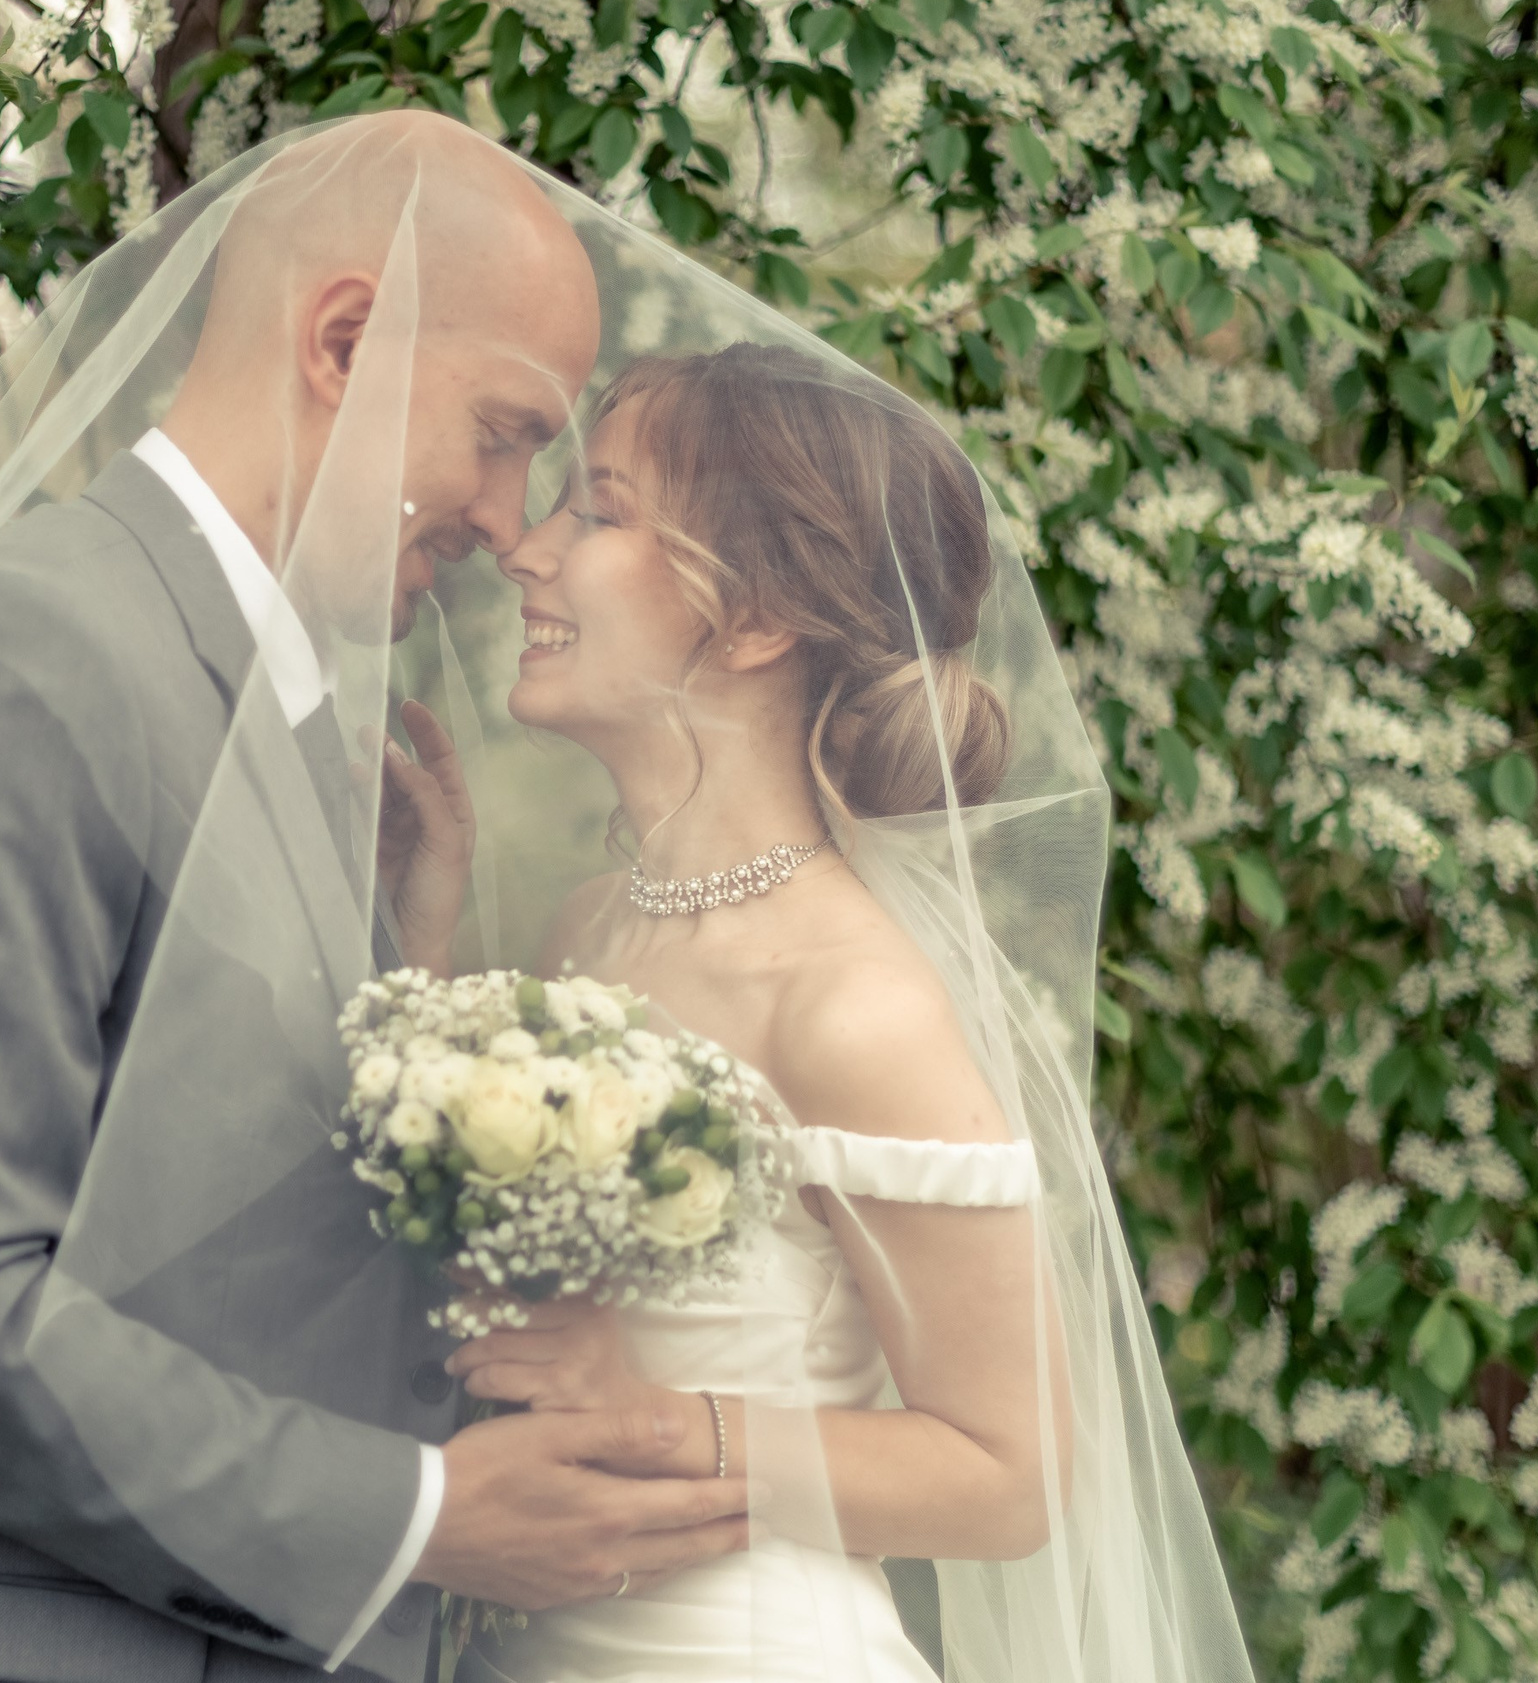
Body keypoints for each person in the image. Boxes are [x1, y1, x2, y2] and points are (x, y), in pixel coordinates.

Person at [0, 113, 751, 1683]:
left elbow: (218, 1255)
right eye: (505, 430)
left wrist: (416, 948)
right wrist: (419, 1517)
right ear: (342, 341)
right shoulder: (11, 667)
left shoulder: (299, 724)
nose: (510, 521)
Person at [439, 344, 1259, 1682]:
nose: (529, 551)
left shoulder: (853, 1003)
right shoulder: (591, 928)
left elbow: (1010, 1475)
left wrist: (658, 1428)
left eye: (597, 509)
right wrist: (418, 930)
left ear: (755, 620)